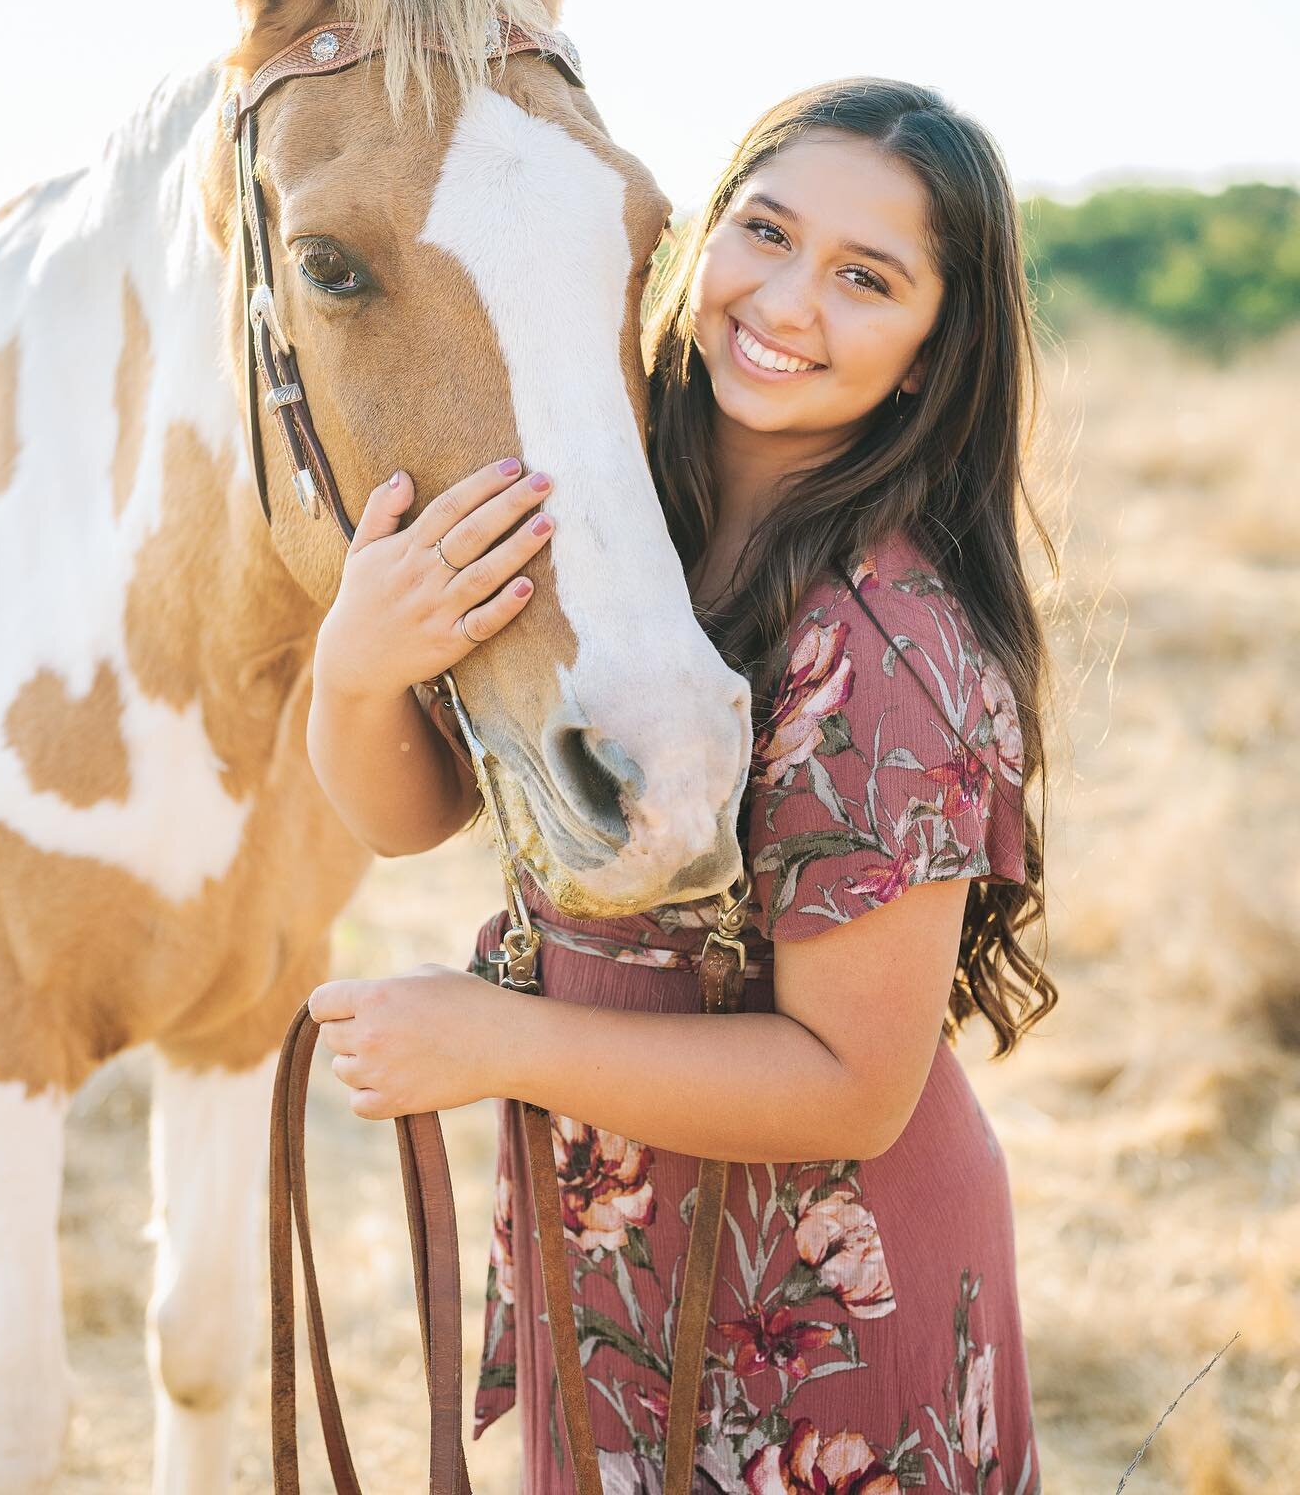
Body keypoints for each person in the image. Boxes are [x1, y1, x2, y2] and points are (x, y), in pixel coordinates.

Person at [306, 78, 1057, 1494]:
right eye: (764, 233)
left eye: (865, 278)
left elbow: (849, 1092)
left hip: (830, 1307)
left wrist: (496, 1043)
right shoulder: (609, 508)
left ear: (926, 353)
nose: (784, 302)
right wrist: (357, 667)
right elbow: (412, 815)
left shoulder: (888, 644)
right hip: (628, 1241)